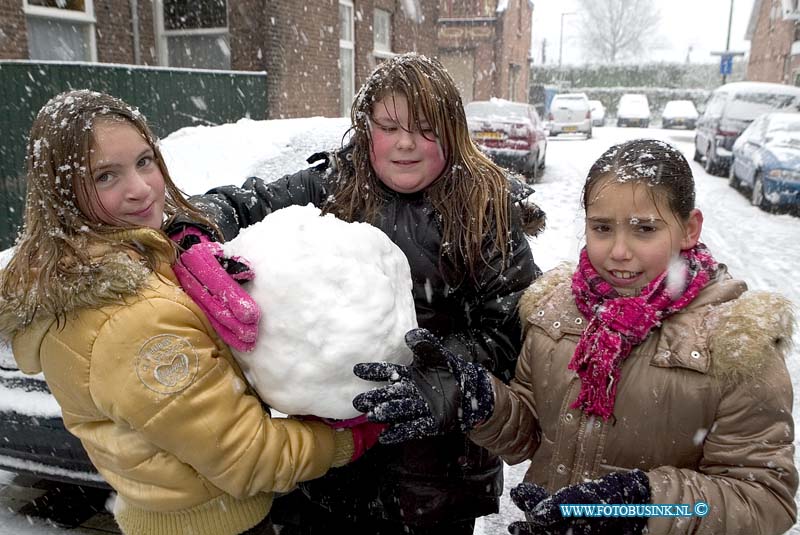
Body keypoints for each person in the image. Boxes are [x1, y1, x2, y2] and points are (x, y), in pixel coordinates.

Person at [173, 53, 542, 534]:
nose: (406, 143)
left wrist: (438, 381)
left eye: (426, 127)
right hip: (331, 468)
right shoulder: (333, 185)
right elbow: (245, 202)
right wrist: (193, 231)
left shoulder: (486, 209)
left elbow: (510, 332)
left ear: (451, 130)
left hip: (437, 478)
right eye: (389, 126)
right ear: (367, 128)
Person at [354, 139, 798, 535]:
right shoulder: (555, 315)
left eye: (644, 228)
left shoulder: (738, 344)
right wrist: (481, 401)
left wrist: (641, 508)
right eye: (602, 227)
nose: (618, 251)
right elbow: (530, 434)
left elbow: (764, 500)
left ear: (689, 228)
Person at [0, 89, 382, 535]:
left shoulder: (104, 272)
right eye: (106, 176)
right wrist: (352, 437)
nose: (140, 189)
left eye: (145, 161)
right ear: (63, 194)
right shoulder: (131, 320)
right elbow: (251, 457)